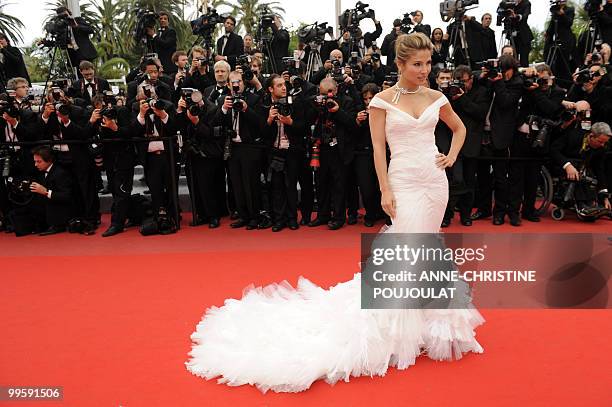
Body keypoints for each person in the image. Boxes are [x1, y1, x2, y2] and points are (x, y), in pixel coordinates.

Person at [186, 33, 484, 393]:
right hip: (403, 181)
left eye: (428, 63)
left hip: (435, 183)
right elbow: (377, 148)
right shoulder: (381, 101)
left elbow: (460, 128)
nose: (425, 70)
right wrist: (385, 190)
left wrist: (450, 156)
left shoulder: (437, 97)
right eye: (417, 64)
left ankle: (422, 320)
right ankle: (394, 322)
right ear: (401, 65)